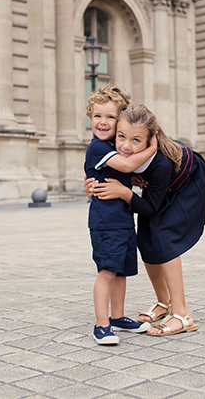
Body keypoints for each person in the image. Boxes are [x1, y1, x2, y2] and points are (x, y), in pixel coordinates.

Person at [87, 104, 205, 336]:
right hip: (159, 189)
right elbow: (100, 169)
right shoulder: (117, 145)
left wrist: (125, 193)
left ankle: (182, 314)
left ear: (150, 140)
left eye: (136, 141)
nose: (126, 146)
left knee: (164, 236)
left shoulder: (161, 163)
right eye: (121, 137)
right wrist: (90, 186)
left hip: (186, 184)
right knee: (146, 238)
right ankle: (163, 302)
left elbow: (149, 208)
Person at [85, 87, 157, 345]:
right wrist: (152, 146)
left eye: (110, 117)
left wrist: (132, 179)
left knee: (121, 272)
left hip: (123, 221)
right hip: (106, 223)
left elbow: (123, 171)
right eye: (97, 116)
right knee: (107, 271)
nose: (102, 122)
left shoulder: (111, 147)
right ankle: (101, 325)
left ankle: (117, 316)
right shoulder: (97, 147)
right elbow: (127, 165)